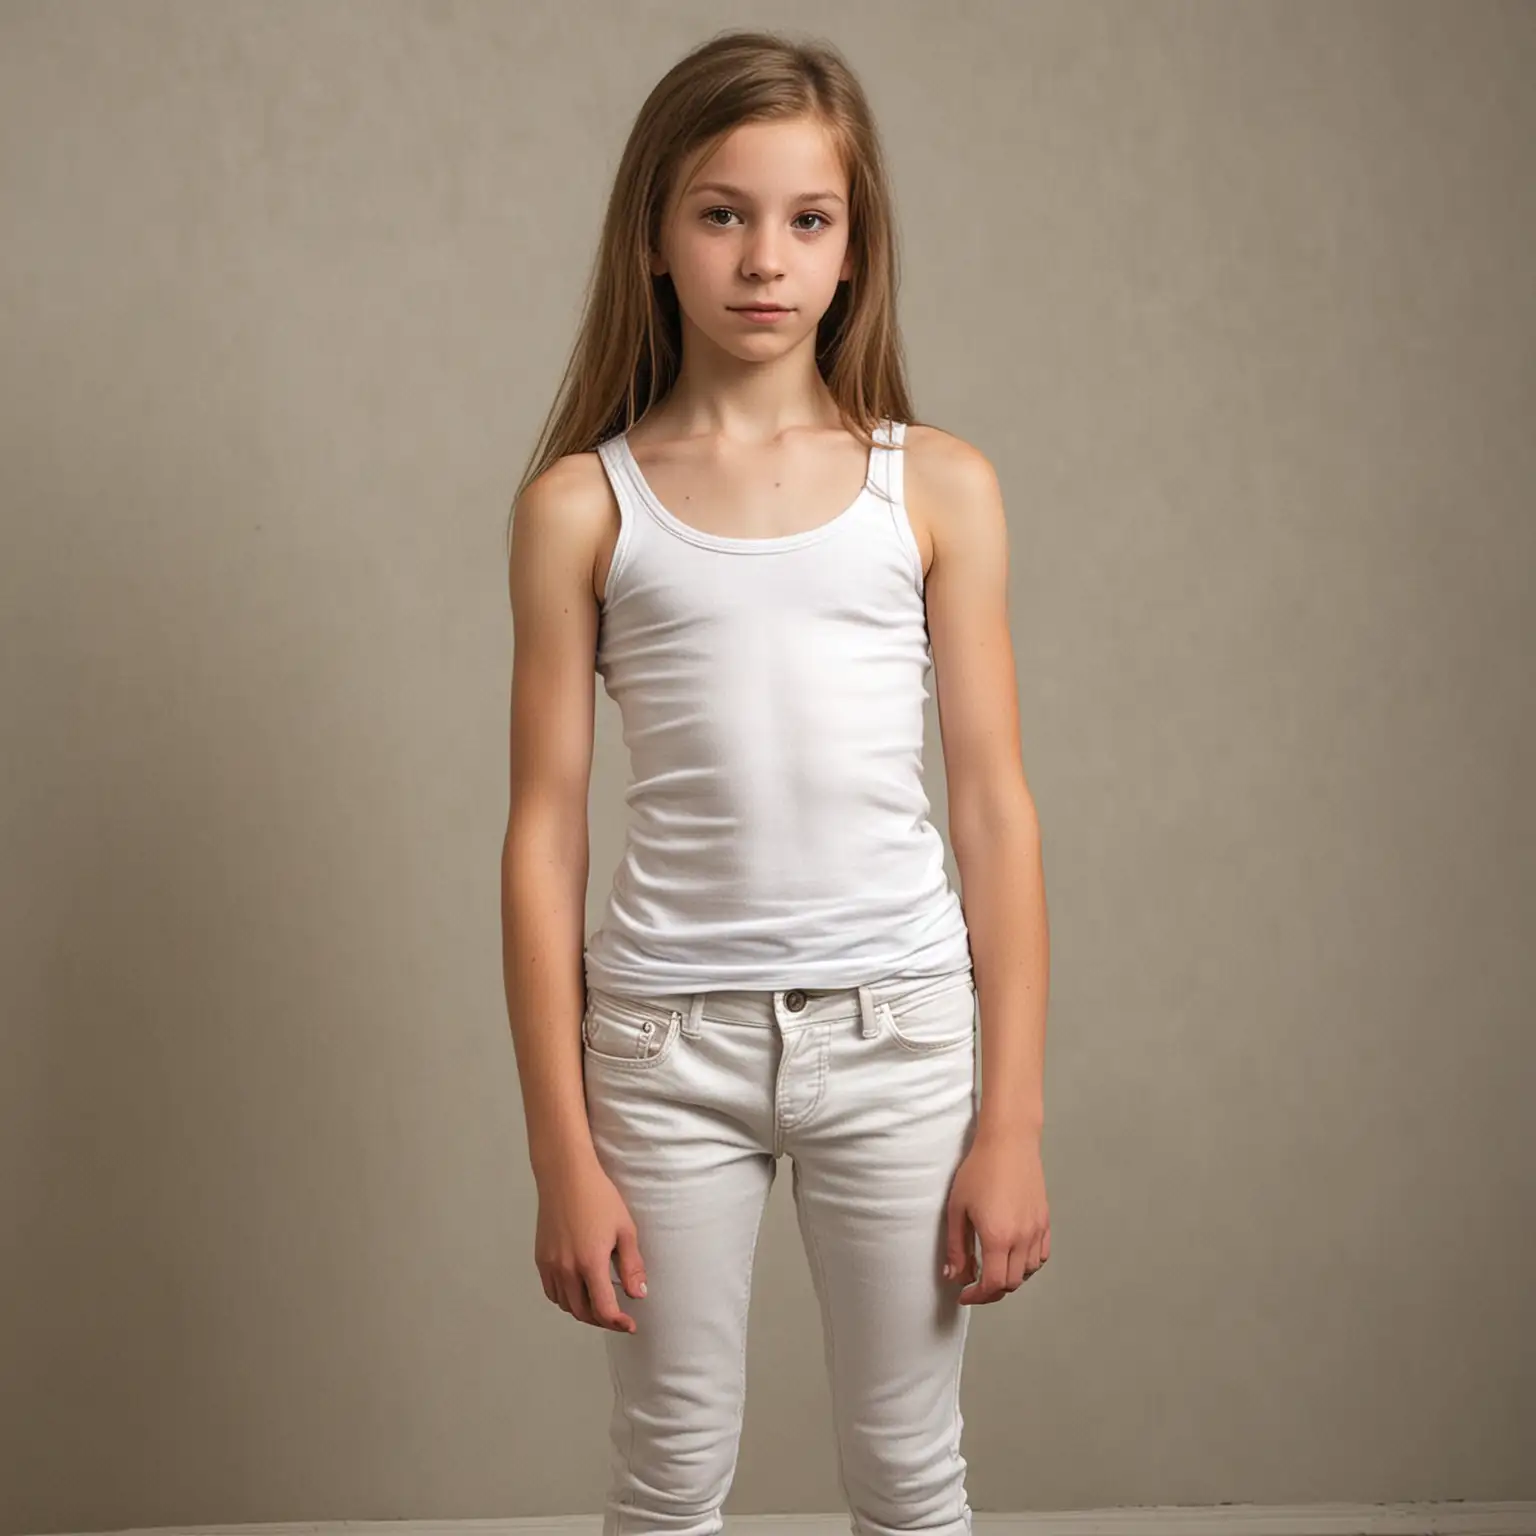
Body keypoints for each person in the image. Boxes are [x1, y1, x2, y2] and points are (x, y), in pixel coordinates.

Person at [501, 27, 1051, 1536]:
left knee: (909, 1474)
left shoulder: (932, 488)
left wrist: (1013, 1121)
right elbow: (541, 840)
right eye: (721, 213)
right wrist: (562, 1150)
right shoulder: (579, 508)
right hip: (665, 1058)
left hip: (901, 1038)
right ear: (655, 239)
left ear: (855, 248)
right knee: (669, 1476)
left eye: (808, 219)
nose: (764, 259)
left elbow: (994, 806)